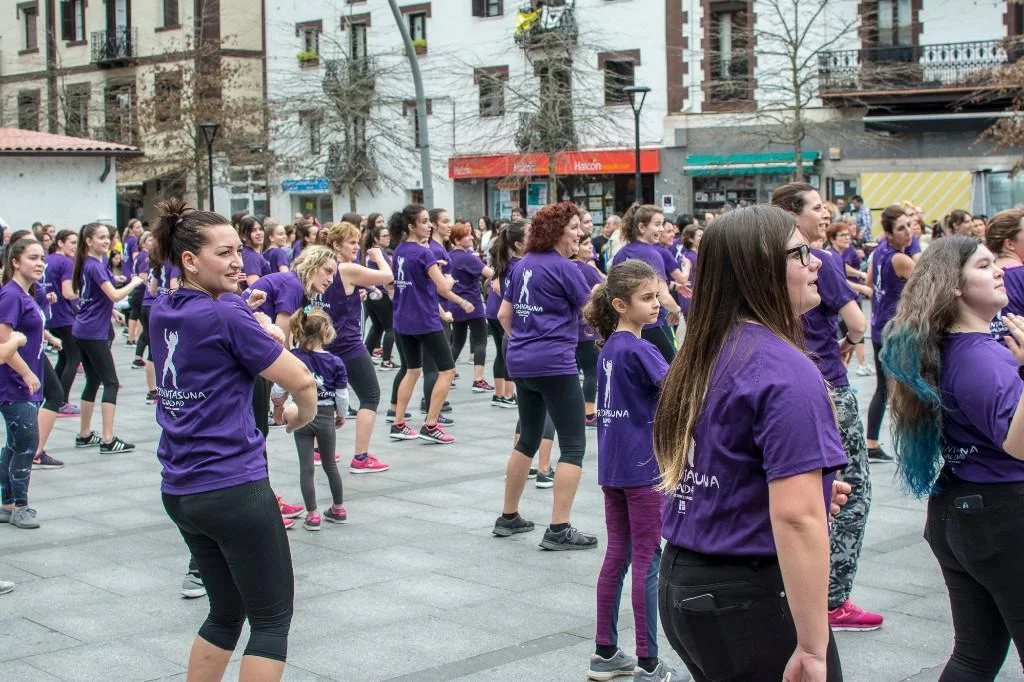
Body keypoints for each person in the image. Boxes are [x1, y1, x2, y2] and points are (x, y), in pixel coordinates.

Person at [654, 205, 849, 682]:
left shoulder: (706, 350)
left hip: (687, 579)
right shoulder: (783, 368)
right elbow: (797, 518)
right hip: (747, 592)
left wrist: (812, 490)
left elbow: (725, 465)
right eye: (799, 253)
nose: (815, 262)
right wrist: (812, 645)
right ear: (758, 269)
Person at [149, 198, 317, 681]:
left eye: (238, 251)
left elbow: (216, 329)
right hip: (233, 487)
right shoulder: (227, 315)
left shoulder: (163, 309)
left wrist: (246, 312)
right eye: (223, 253)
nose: (237, 262)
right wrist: (299, 417)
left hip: (181, 489)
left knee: (225, 613)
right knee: (271, 621)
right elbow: (302, 380)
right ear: (189, 259)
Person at [881, 235, 1024, 681]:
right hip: (1002, 515)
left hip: (964, 510)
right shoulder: (981, 358)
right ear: (955, 286)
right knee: (975, 656)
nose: (998, 270)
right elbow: (1018, 445)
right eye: (983, 265)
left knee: (974, 657)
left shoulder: (951, 347)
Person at [773, 182, 883, 633]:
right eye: (817, 207)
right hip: (826, 386)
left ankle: (794, 590)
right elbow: (856, 322)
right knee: (848, 490)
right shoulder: (820, 260)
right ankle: (832, 598)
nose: (826, 214)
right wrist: (849, 342)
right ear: (791, 215)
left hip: (785, 383)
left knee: (799, 491)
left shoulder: (765, 262)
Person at [583, 260, 677, 682]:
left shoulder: (610, 349)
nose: (656, 304)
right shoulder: (641, 350)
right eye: (647, 298)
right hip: (643, 470)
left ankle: (605, 652)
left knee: (617, 556)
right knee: (647, 559)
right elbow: (678, 393)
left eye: (657, 296)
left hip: (613, 468)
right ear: (620, 305)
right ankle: (649, 662)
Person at [494, 201, 597, 550]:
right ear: (556, 232)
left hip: (521, 362)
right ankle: (559, 528)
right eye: (574, 228)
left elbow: (504, 316)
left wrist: (526, 341)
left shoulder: (522, 264)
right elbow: (591, 313)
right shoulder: (566, 268)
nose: (580, 233)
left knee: (527, 437)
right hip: (555, 364)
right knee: (573, 445)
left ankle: (508, 517)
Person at [388, 205, 472, 444]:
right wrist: (450, 281)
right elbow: (443, 288)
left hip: (402, 319)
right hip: (425, 319)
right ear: (411, 226)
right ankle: (431, 424)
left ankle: (398, 422)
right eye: (424, 222)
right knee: (447, 371)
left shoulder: (400, 251)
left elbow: (400, 282)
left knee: (412, 370)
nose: (429, 226)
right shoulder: (424, 254)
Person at [320, 222, 392, 473]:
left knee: (325, 398)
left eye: (357, 242)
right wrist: (378, 256)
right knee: (370, 396)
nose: (356, 247)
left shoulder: (322, 269)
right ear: (336, 245)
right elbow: (387, 277)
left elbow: (320, 304)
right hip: (348, 345)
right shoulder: (346, 268)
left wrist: (352, 299)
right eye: (351, 243)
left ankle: (319, 450)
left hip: (325, 344)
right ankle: (361, 457)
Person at [72, 223, 144, 453]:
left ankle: (84, 434)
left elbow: (95, 296)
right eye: (101, 237)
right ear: (88, 241)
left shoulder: (90, 263)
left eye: (108, 237)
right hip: (93, 332)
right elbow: (113, 295)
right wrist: (134, 282)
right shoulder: (94, 265)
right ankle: (108, 439)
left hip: (83, 329)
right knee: (111, 383)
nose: (106, 241)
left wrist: (111, 311)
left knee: (93, 381)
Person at [274, 308, 349, 530]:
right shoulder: (335, 362)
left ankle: (313, 514)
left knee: (306, 467)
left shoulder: (293, 358)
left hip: (301, 414)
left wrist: (278, 405)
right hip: (325, 416)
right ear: (325, 331)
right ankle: (338, 508)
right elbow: (342, 395)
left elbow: (279, 387)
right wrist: (341, 414)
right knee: (330, 464)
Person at [0, 238, 47, 528]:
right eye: (33, 258)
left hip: (21, 383)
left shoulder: (23, 294)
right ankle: (20, 506)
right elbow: (3, 342)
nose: (40, 263)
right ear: (15, 262)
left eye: (42, 258)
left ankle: (7, 504)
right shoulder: (11, 295)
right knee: (27, 445)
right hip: (15, 384)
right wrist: (27, 373)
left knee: (14, 445)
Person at [866, 205, 916, 462]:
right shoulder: (901, 259)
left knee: (884, 388)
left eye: (909, 225)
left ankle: (872, 442)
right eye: (901, 228)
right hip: (895, 331)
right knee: (904, 389)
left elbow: (869, 282)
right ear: (889, 233)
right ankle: (909, 443)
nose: (908, 232)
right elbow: (929, 286)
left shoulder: (879, 252)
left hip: (879, 327)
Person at [611, 204, 683, 363]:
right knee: (674, 370)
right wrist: (678, 311)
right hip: (653, 324)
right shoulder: (652, 254)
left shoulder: (621, 254)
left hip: (627, 326)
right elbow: (662, 296)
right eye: (657, 224)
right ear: (642, 227)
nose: (661, 229)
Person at [448, 221, 494, 392]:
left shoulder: (450, 256)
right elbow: (490, 273)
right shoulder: (468, 258)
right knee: (480, 341)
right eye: (466, 236)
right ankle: (478, 380)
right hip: (473, 303)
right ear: (457, 240)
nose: (471, 238)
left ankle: (447, 375)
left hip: (455, 303)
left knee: (457, 343)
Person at [825, 221, 872, 376]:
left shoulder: (838, 255)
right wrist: (862, 288)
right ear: (833, 239)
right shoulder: (831, 256)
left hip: (850, 301)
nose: (847, 238)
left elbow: (845, 272)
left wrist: (859, 275)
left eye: (848, 235)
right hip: (842, 307)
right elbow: (841, 281)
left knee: (851, 343)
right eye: (842, 235)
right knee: (846, 343)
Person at [487, 221, 525, 409]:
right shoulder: (521, 266)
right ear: (518, 244)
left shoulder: (506, 263)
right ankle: (508, 395)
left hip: (496, 313)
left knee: (501, 355)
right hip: (509, 319)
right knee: (507, 354)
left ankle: (500, 394)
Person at [44, 229, 82, 417]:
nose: (75, 247)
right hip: (64, 316)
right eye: (72, 242)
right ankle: (62, 401)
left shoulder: (47, 259)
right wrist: (83, 293)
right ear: (60, 243)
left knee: (64, 356)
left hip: (50, 315)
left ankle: (54, 396)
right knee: (74, 357)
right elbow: (68, 292)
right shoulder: (66, 262)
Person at [573, 233, 604, 426]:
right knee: (591, 372)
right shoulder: (587, 270)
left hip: (569, 329)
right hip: (587, 328)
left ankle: (577, 410)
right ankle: (589, 413)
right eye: (585, 244)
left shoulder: (566, 267)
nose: (590, 247)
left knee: (575, 372)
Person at [361, 224, 396, 369]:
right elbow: (388, 275)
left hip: (373, 294)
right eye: (384, 236)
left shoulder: (373, 253)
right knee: (390, 328)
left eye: (388, 235)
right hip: (380, 294)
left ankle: (367, 358)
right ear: (376, 239)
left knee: (377, 327)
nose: (388, 238)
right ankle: (386, 361)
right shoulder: (377, 254)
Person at [239, 216, 271, 288]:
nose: (259, 233)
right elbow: (254, 285)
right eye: (253, 230)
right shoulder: (251, 256)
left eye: (260, 229)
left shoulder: (249, 253)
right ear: (243, 236)